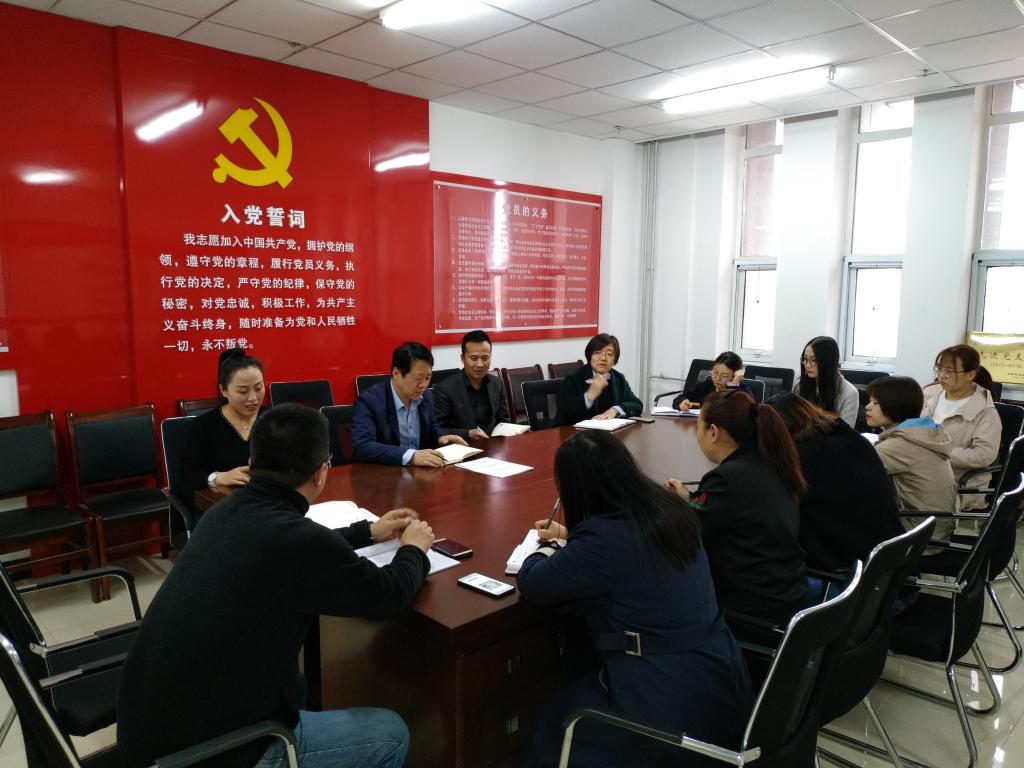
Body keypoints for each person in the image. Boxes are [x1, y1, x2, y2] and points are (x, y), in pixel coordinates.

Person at [117, 404, 436, 768]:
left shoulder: (224, 512)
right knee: (390, 734)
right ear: (321, 473)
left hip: (147, 731)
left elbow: (303, 549)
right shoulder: (297, 542)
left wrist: (367, 532)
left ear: (252, 463)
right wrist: (414, 549)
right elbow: (387, 594)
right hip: (215, 752)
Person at [517, 431, 752, 768]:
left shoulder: (603, 540)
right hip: (724, 685)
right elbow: (632, 554)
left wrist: (545, 549)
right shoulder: (671, 509)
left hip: (667, 707)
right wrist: (573, 540)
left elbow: (533, 582)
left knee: (549, 723)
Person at [666, 390, 808, 627]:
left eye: (698, 427)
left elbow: (688, 531)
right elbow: (713, 509)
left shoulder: (727, 478)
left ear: (713, 432)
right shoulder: (769, 461)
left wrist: (667, 505)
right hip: (786, 594)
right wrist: (689, 498)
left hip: (751, 611)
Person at [769, 393, 903, 572]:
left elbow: (774, 512)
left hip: (848, 577)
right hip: (887, 566)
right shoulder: (852, 439)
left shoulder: (807, 456)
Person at [865, 376, 956, 539]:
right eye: (870, 401)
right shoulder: (923, 433)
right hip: (935, 527)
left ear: (895, 406)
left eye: (876, 403)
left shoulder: (900, 445)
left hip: (918, 536)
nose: (868, 407)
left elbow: (851, 469)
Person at [352, 341, 467, 466]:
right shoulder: (369, 401)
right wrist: (410, 456)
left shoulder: (426, 396)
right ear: (396, 373)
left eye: (428, 378)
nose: (423, 385)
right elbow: (361, 447)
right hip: (388, 472)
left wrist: (440, 437)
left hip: (421, 472)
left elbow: (431, 427)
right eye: (418, 378)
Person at [178, 348, 267, 499]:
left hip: (269, 499)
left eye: (259, 387)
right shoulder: (204, 426)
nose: (253, 398)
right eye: (243, 391)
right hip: (223, 504)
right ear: (224, 390)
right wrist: (218, 478)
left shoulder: (274, 420)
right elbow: (186, 477)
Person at [921, 344, 1000, 510]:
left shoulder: (985, 411)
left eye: (949, 371)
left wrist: (938, 452)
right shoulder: (929, 393)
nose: (942, 376)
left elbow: (983, 455)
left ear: (970, 374)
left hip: (957, 483)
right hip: (921, 472)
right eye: (939, 369)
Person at [432, 330, 511, 440]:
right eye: (474, 358)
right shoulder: (445, 389)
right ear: (462, 358)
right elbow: (437, 429)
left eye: (485, 358)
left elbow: (503, 421)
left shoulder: (496, 383)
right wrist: (467, 434)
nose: (480, 364)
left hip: (493, 445)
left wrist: (515, 430)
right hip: (463, 447)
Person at [558, 333, 642, 424]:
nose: (603, 358)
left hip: (610, 430)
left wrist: (615, 410)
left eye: (609, 354)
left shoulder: (619, 378)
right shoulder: (573, 378)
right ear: (590, 356)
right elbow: (565, 414)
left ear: (615, 359)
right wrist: (588, 396)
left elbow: (637, 404)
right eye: (597, 353)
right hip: (578, 431)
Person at [794, 336, 859, 428]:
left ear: (828, 362)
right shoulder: (799, 385)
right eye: (805, 359)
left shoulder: (849, 393)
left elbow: (845, 433)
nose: (808, 365)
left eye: (813, 360)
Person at [671, 351, 753, 410]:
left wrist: (734, 384)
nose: (718, 378)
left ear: (734, 375)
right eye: (715, 372)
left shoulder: (743, 391)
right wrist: (682, 403)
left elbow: (747, 411)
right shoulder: (706, 385)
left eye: (724, 375)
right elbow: (682, 397)